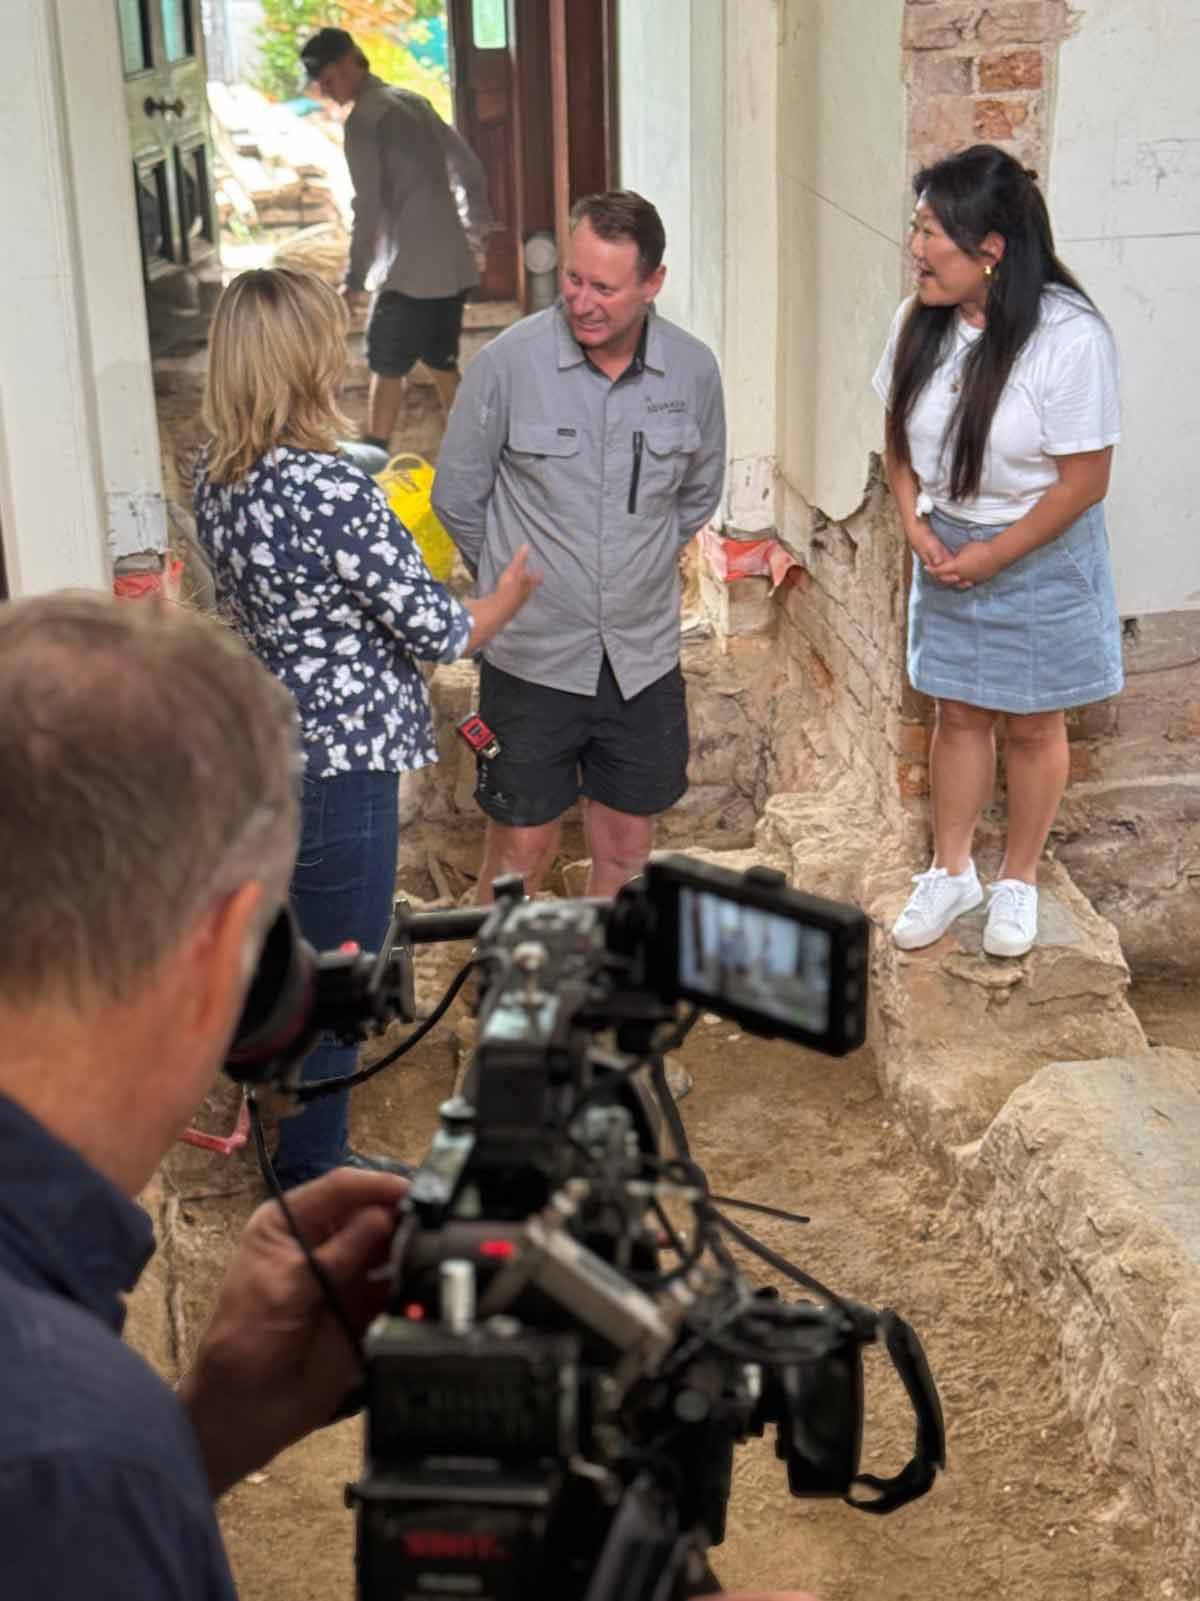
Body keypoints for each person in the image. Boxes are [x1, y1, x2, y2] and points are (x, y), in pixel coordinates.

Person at [0, 592, 816, 1601]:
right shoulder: (65, 1460)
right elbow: (62, 1491)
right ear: (228, 961)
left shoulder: (78, 1458)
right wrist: (123, 1467)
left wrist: (200, 1434)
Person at [194, 266, 538, 1187]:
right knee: (340, 971)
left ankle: (282, 1135)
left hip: (271, 745)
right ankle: (314, 1170)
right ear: (303, 362)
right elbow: (438, 629)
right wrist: (508, 594)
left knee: (293, 956)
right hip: (342, 762)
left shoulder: (219, 477)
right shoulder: (332, 490)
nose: (341, 357)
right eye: (327, 342)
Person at [432, 190, 727, 901]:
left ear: (653, 283)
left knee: (626, 848)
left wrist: (633, 569)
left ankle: (599, 966)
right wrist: (515, 586)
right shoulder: (508, 365)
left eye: (605, 287)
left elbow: (697, 495)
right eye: (573, 278)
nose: (582, 302)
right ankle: (502, 971)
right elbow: (457, 496)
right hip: (532, 659)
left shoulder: (693, 372)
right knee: (521, 849)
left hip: (641, 660)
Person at [874, 144, 1123, 959]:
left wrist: (993, 555)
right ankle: (953, 870)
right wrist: (914, 522)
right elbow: (897, 435)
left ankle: (1018, 878)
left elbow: (1084, 482)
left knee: (1034, 720)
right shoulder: (920, 321)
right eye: (916, 228)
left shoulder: (1069, 337)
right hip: (946, 543)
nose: (916, 249)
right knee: (959, 711)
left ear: (991, 250)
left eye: (931, 234)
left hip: (1039, 546)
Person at [299, 25, 492, 453]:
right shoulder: (413, 101)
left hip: (407, 272)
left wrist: (354, 279)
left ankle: (374, 459)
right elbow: (470, 169)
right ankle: (476, 458)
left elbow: (367, 208)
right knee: (442, 362)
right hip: (451, 265)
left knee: (386, 365)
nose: (325, 91)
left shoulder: (364, 122)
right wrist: (475, 236)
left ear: (349, 62)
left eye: (328, 80)